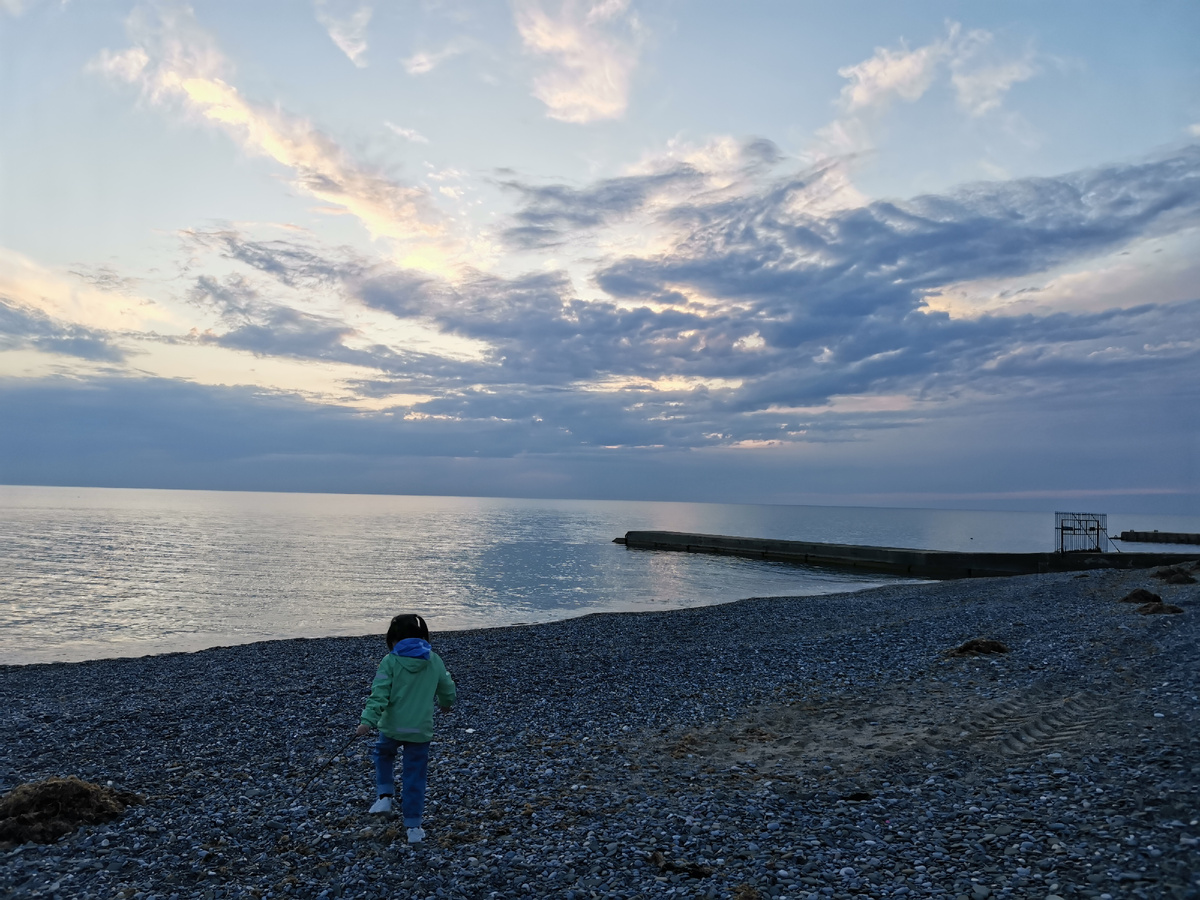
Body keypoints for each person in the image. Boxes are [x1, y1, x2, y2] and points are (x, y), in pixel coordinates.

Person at [356, 613, 456, 845]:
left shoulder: (390, 661)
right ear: (423, 636)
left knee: (383, 754)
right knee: (414, 776)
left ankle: (385, 796)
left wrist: (367, 721)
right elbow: (447, 686)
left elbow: (379, 694)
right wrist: (446, 703)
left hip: (391, 727)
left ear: (393, 639)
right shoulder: (434, 660)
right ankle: (413, 827)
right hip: (420, 730)